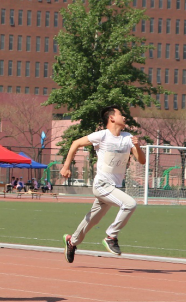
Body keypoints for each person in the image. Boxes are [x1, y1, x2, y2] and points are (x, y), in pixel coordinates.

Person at [61, 106, 145, 263]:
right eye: (121, 114)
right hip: (102, 185)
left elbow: (142, 160)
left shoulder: (128, 138)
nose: (124, 117)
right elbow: (75, 143)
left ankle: (72, 241)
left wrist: (138, 147)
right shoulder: (102, 135)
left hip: (113, 188)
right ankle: (111, 236)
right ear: (112, 118)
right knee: (130, 204)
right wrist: (66, 166)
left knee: (93, 220)